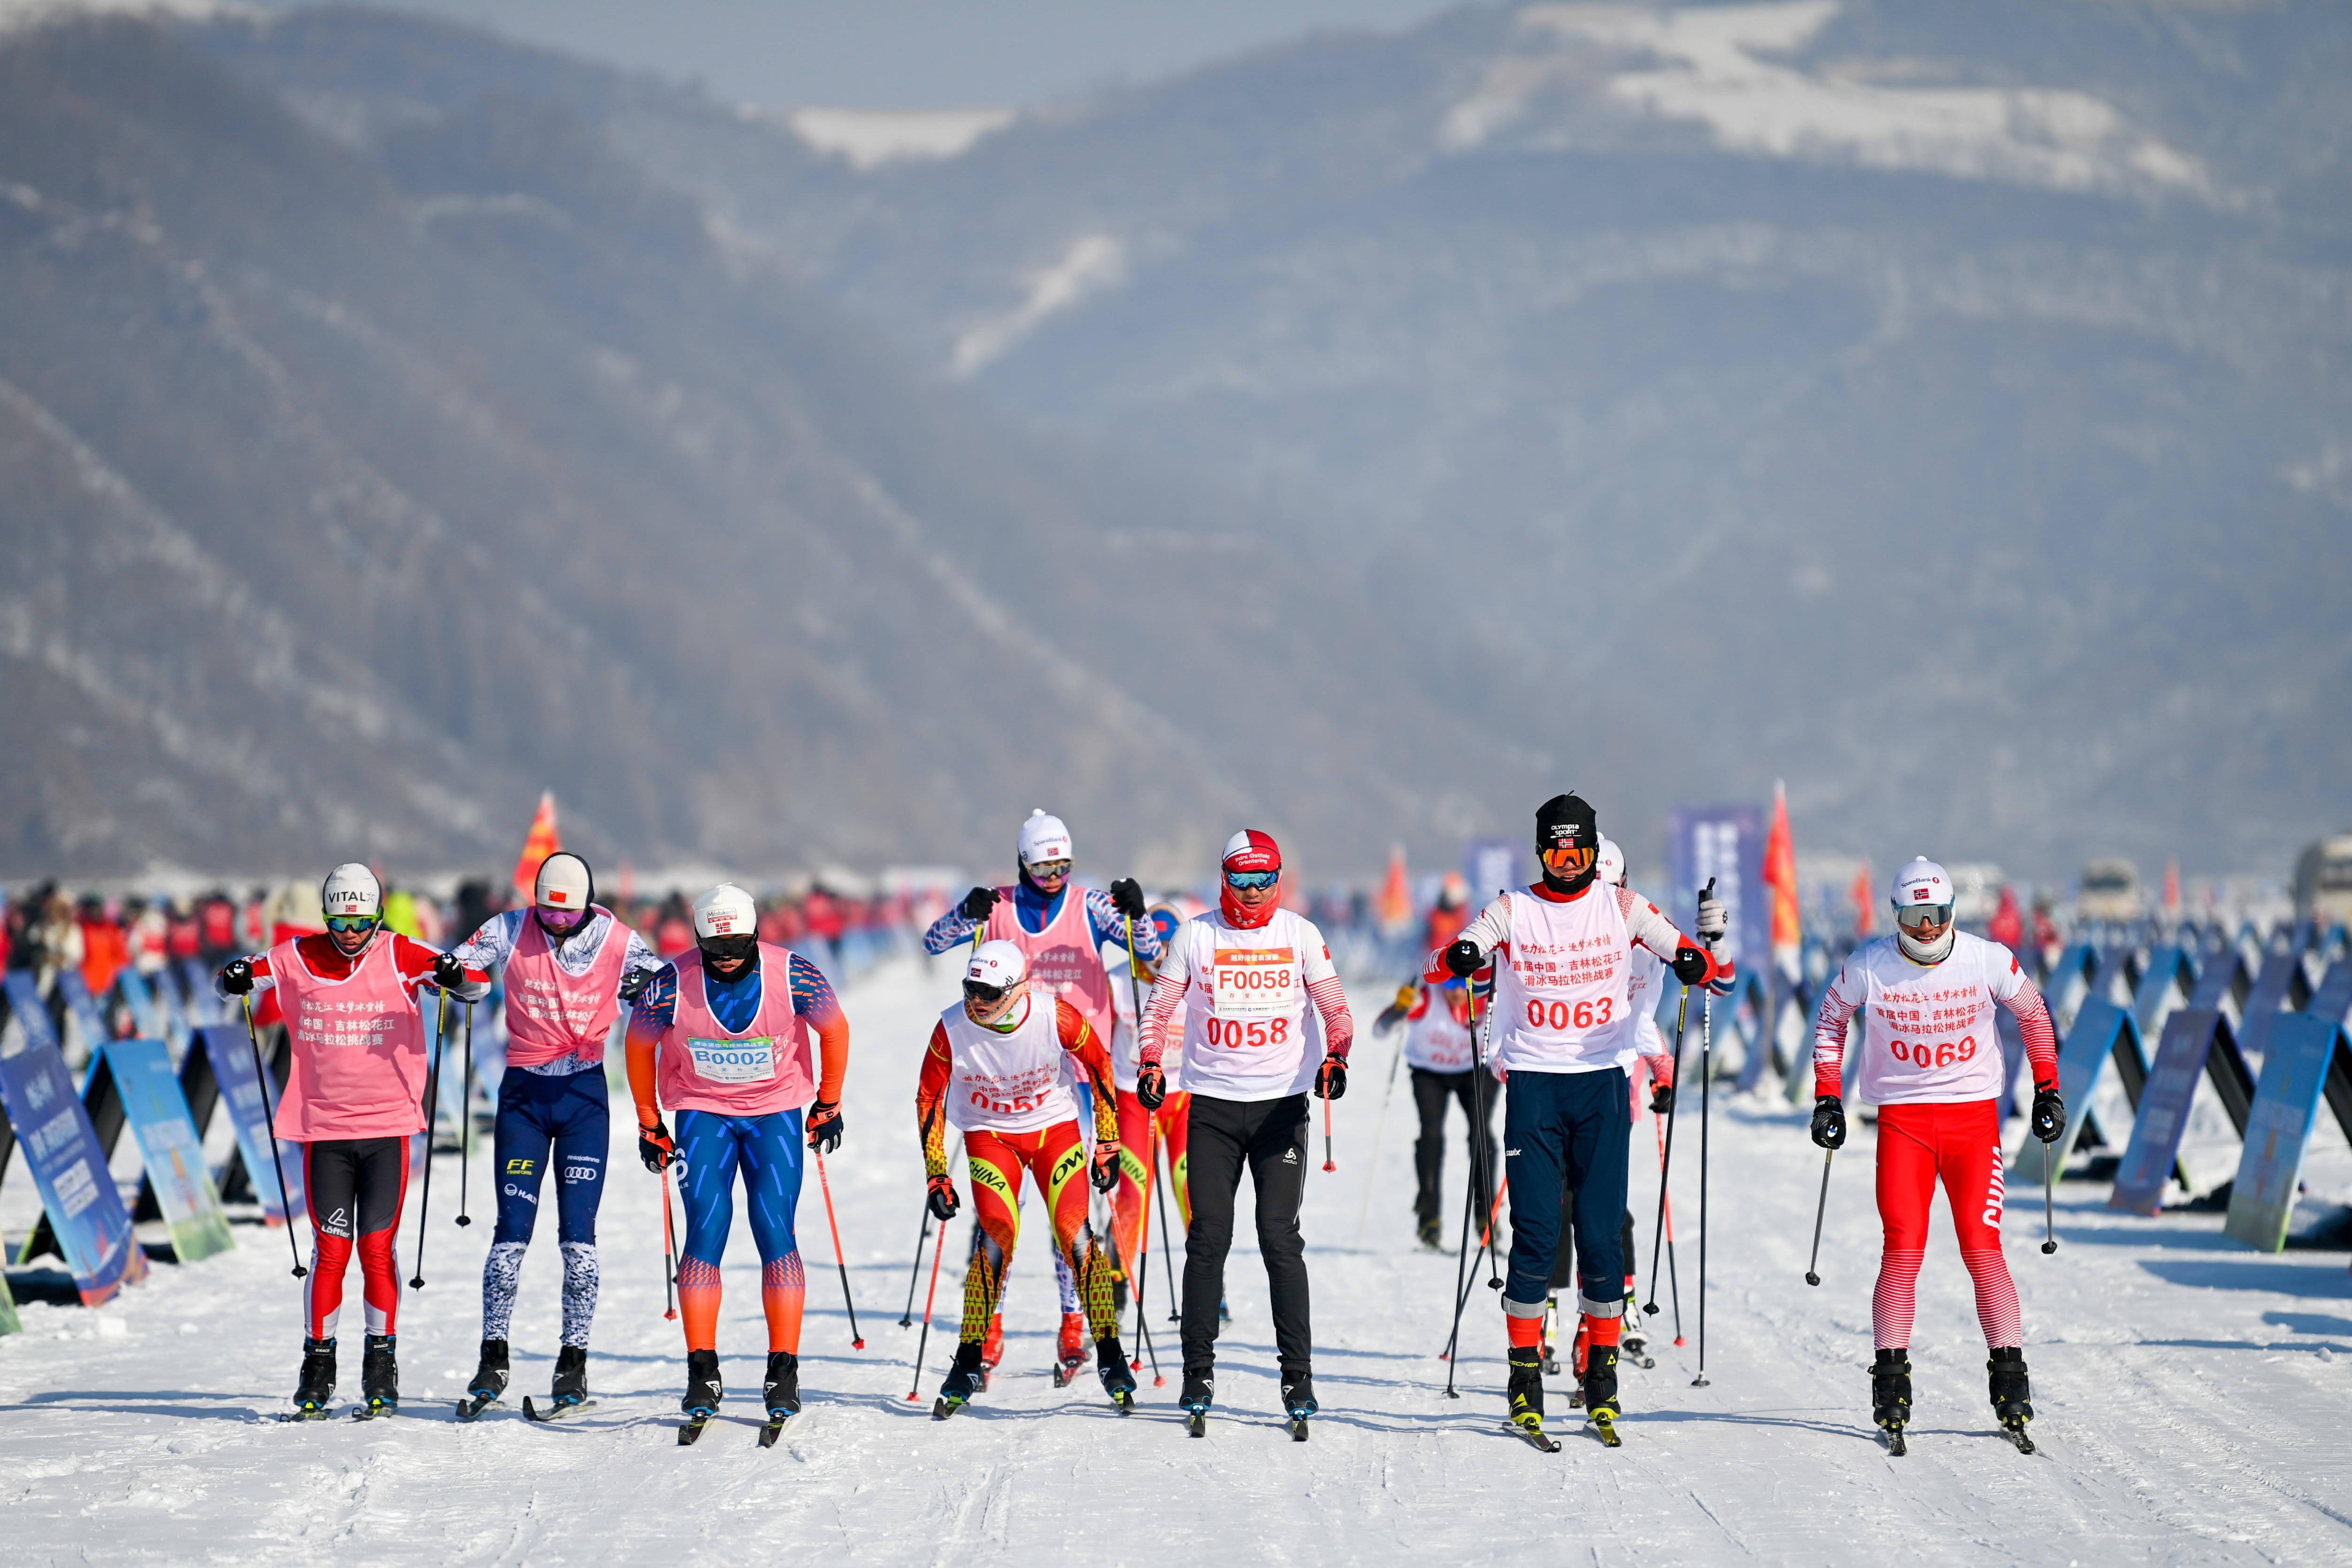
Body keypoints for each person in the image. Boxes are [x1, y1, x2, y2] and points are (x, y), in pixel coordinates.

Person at [1438, 794, 1731, 1444]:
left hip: (1602, 1085)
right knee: (1537, 1235)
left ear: (1594, 854)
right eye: (1554, 853)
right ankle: (1523, 1380)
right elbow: (1458, 951)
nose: (1567, 865)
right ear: (1540, 851)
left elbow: (1696, 962)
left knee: (1601, 1237)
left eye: (1578, 854)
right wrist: (1462, 956)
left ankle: (1601, 1380)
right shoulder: (1514, 908)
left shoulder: (1620, 906)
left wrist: (1698, 951)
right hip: (1536, 1088)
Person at [1808, 856, 2064, 1452]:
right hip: (1905, 1126)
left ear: (1954, 912)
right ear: (1896, 915)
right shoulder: (1870, 964)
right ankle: (1891, 1382)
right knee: (1902, 1250)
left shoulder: (1985, 958)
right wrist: (1828, 1097)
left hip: (1974, 1124)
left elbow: (2033, 1013)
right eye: (1916, 916)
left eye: (1939, 915)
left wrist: (2047, 1088)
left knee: (1983, 1250)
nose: (1928, 928)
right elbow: (1829, 1022)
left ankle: (2010, 1379)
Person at [216, 863, 482, 1417]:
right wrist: (235, 976)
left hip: (387, 1131)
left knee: (377, 1250)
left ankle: (380, 1362)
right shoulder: (297, 954)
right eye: (340, 919)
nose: (351, 932)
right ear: (326, 915)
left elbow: (474, 986)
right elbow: (232, 981)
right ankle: (319, 1362)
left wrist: (456, 974)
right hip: (325, 1132)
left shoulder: (400, 953)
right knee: (331, 1251)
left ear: (378, 916)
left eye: (362, 920)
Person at [923, 809, 1157, 1379]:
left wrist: (1139, 914)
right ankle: (991, 1323)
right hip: (1007, 1072)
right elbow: (933, 943)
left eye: (1063, 865)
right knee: (1002, 1210)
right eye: (1043, 864)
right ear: (1022, 860)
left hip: (1076, 1070)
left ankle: (1075, 1319)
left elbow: (1149, 955)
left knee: (1070, 1212)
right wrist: (964, 914)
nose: (1054, 876)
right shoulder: (998, 907)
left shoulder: (1091, 906)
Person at [1137, 829, 1353, 1434]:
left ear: (1278, 880)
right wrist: (1151, 1062)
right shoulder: (1196, 934)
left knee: (1279, 1238)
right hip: (1211, 1107)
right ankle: (1197, 1373)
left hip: (1280, 1108)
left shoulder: (1300, 934)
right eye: (1242, 880)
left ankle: (1298, 1379)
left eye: (1264, 880)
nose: (1254, 892)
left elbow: (1335, 1008)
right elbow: (1158, 1009)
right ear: (1224, 879)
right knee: (1208, 1238)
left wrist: (1337, 1056)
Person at [445, 851, 663, 1418]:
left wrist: (647, 988)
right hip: (523, 1098)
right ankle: (493, 1356)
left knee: (578, 1240)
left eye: (567, 915)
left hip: (584, 1100)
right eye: (548, 911)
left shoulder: (617, 936)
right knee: (511, 1235)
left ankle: (574, 1361)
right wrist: (456, 976)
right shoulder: (511, 926)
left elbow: (666, 986)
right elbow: (461, 961)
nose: (556, 923)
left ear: (586, 905)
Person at [628, 884, 849, 1433]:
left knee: (776, 1230)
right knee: (705, 1229)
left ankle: (783, 1369)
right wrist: (649, 1122)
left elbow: (835, 1028)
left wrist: (829, 1103)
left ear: (758, 935)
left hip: (774, 1115)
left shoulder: (795, 973)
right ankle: (702, 1369)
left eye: (739, 945)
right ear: (698, 937)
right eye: (715, 947)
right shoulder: (671, 983)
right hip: (703, 1115)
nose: (726, 957)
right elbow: (638, 1044)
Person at [917, 940, 1131, 1415]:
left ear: (1017, 990)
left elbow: (1099, 1066)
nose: (978, 1002)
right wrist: (936, 1174)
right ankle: (968, 1358)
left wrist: (1108, 1143)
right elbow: (929, 1098)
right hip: (991, 1137)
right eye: (971, 989)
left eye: (990, 994)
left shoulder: (1055, 1016)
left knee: (1076, 1238)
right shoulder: (951, 1027)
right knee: (995, 1240)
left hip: (1054, 1131)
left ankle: (1111, 1353)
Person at [1540, 837, 1676, 1385]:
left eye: (1615, 891)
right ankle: (1548, 1311)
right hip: (1557, 1091)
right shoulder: (1561, 937)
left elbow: (1648, 1020)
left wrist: (1663, 1070)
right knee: (1556, 1211)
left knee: (1611, 1214)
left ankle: (1617, 1308)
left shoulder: (1642, 943)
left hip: (1615, 1098)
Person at [1372, 959, 1495, 1252]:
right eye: (1447, 983)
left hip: (1475, 1071)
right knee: (1432, 1137)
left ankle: (1486, 1219)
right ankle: (1429, 1219)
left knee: (1481, 1135)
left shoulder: (1487, 999)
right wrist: (1400, 1007)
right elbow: (1381, 1030)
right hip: (1430, 1072)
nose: (1453, 991)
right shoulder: (1427, 998)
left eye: (1460, 984)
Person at [1104, 904, 1192, 1304]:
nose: (1158, 960)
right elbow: (1097, 1044)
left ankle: (1210, 1281)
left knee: (1191, 1189)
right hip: (1133, 1098)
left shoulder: (1197, 982)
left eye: (1168, 950)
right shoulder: (1119, 982)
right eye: (1151, 951)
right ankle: (1118, 1278)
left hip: (1185, 1098)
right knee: (1134, 1192)